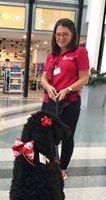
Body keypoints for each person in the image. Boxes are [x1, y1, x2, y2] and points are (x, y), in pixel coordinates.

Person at [40, 18, 89, 180]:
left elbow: (84, 78)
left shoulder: (79, 52)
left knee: (66, 136)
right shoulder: (51, 55)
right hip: (49, 102)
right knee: (48, 135)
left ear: (72, 34)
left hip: (69, 103)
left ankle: (62, 168)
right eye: (58, 34)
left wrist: (68, 89)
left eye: (65, 34)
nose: (61, 38)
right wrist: (48, 87)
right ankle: (51, 163)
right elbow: (43, 78)